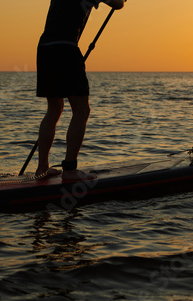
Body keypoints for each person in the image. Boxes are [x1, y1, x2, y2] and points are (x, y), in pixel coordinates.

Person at [35, 0, 125, 180]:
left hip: (45, 48)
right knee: (82, 110)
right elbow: (117, 3)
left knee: (54, 110)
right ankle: (69, 170)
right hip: (66, 49)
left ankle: (42, 168)